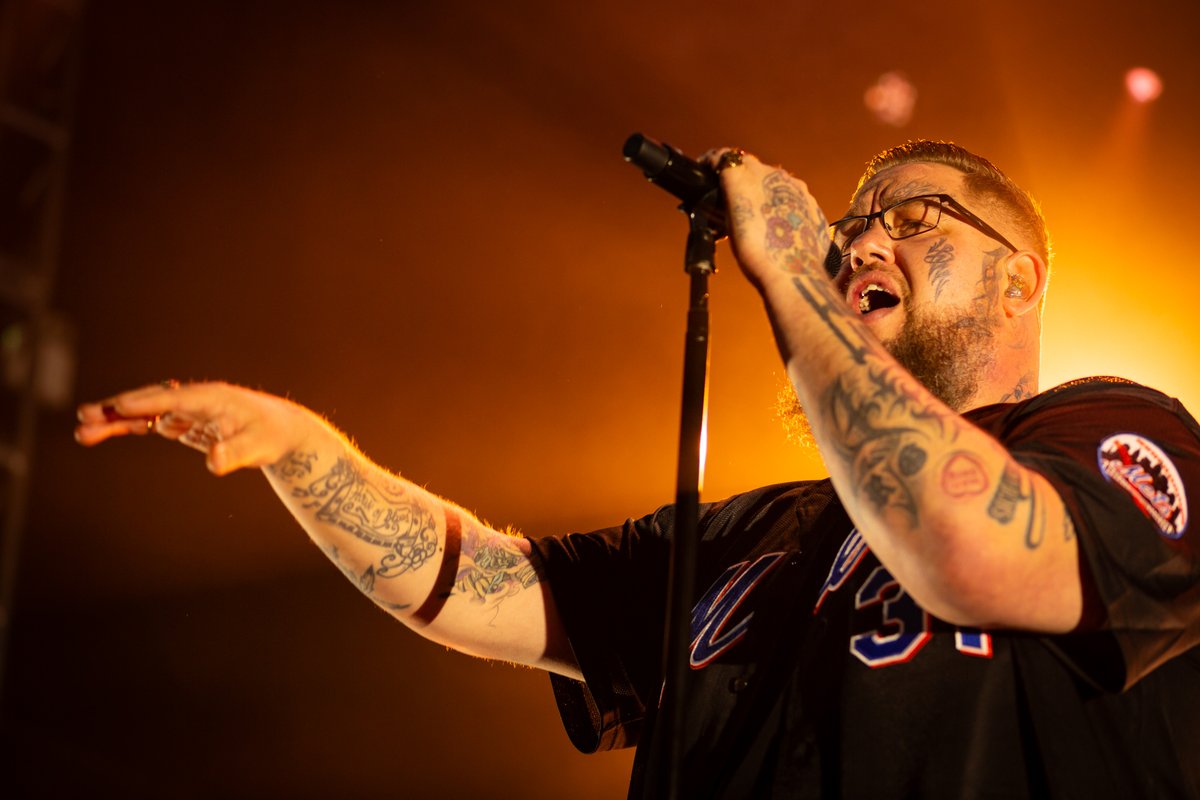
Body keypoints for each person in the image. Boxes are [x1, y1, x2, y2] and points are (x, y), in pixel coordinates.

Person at [76, 141, 1200, 797]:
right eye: (851, 225)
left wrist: (784, 269)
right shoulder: (759, 537)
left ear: (1019, 279)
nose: (861, 241)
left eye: (914, 216)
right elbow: (491, 588)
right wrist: (306, 452)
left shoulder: (1116, 435)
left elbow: (970, 545)